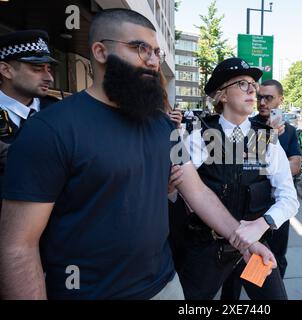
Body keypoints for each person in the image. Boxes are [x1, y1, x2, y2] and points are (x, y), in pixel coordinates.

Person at [0, 9, 274, 300]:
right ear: (100, 51)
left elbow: (198, 191)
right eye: (140, 49)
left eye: (157, 51)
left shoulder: (162, 126)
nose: (153, 60)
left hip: (165, 286)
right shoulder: (50, 130)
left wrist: (242, 240)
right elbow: (17, 246)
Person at [172, 57, 299, 300]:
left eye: (254, 83)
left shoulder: (267, 140)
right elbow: (175, 184)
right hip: (207, 252)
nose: (253, 89)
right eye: (242, 83)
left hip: (252, 251)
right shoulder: (198, 137)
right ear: (222, 95)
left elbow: (289, 199)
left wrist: (262, 224)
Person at [220, 79, 302, 300]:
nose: (262, 101)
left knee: (272, 267)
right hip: (234, 223)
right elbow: (235, 169)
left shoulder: (290, 132)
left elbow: (294, 166)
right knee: (232, 280)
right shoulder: (248, 125)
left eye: (269, 97)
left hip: (272, 214)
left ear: (280, 100)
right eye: (260, 97)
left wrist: (269, 147)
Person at [0, 30, 59, 192]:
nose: (49, 78)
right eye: (37, 69)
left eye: (48, 69)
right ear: (6, 70)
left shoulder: (59, 112)